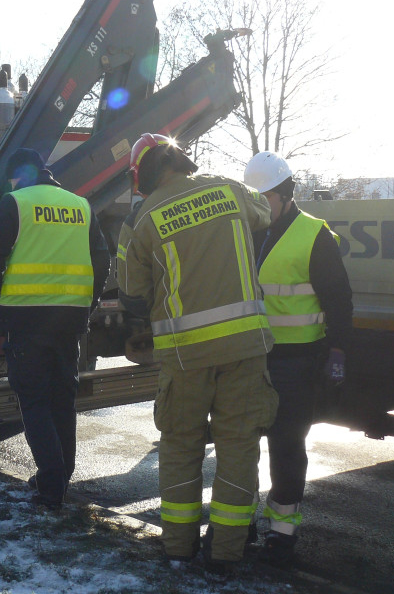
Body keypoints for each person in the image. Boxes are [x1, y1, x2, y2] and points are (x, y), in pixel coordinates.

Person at [116, 133, 277, 580]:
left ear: (142, 175)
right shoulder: (228, 189)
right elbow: (264, 214)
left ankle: (178, 550)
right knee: (238, 448)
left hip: (185, 358)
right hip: (246, 347)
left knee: (181, 448)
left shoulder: (143, 217)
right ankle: (225, 553)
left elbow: (130, 291)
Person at [0, 148, 111, 509]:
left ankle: (51, 486)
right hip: (69, 321)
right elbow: (102, 260)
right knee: (62, 399)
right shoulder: (80, 206)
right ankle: (60, 476)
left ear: (17, 175)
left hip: (25, 319)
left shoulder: (14, 204)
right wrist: (89, 303)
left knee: (34, 400)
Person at [243, 151, 352, 568]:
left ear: (285, 195)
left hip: (296, 362)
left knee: (286, 446)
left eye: (264, 198)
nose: (257, 207)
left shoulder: (314, 235)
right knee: (242, 444)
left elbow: (340, 300)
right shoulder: (248, 232)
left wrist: (339, 350)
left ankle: (282, 534)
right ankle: (241, 524)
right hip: (251, 357)